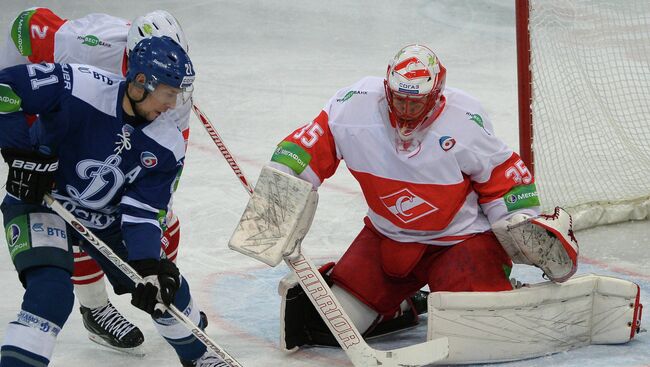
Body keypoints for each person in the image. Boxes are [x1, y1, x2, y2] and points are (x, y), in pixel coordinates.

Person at [266, 44, 578, 349]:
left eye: (415, 102)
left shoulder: (464, 121)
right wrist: (282, 183)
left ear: (436, 94)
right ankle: (401, 306)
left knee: (475, 332)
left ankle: (499, 291)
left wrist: (517, 223)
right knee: (325, 325)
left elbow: (503, 177)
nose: (405, 110)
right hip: (387, 240)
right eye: (398, 99)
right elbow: (308, 145)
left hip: (459, 243)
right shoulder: (353, 106)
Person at [0, 36, 224, 366]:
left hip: (106, 219)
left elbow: (143, 210)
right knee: (50, 295)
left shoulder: (167, 143)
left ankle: (199, 357)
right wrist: (21, 154)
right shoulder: (79, 85)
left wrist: (147, 266)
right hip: (38, 201)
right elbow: (6, 89)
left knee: (167, 289)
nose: (174, 105)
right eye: (169, 93)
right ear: (141, 82)